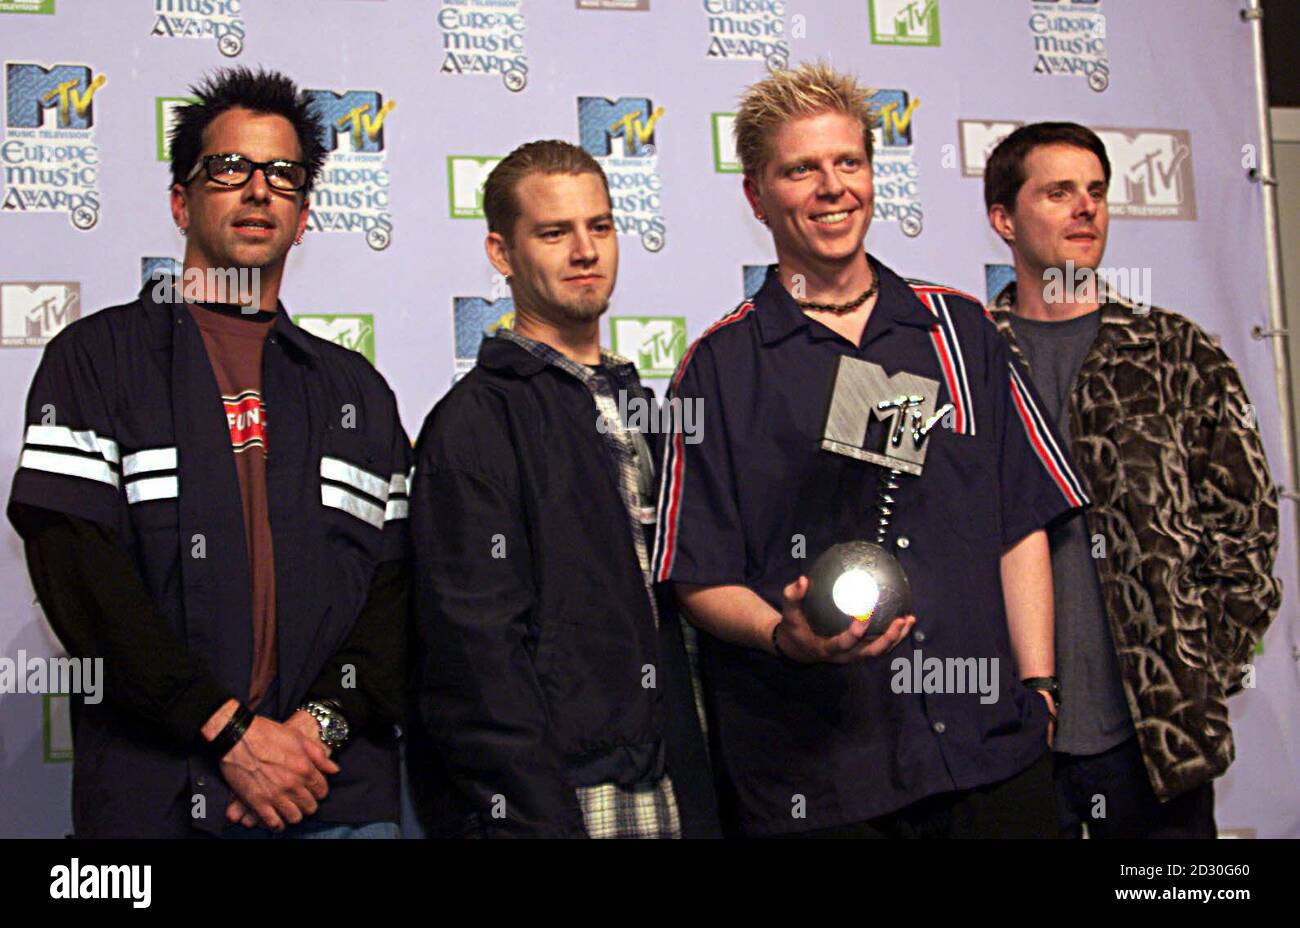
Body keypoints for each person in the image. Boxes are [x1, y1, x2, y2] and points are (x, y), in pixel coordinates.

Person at [654, 62, 1085, 837]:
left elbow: (1019, 519)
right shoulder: (718, 368)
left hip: (993, 758)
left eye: (848, 162)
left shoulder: (956, 328)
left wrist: (1039, 684)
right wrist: (784, 636)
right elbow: (697, 574)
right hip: (824, 785)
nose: (831, 188)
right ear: (757, 194)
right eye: (801, 169)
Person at [7, 67, 412, 838]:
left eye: (283, 174)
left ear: (304, 212)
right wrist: (225, 730)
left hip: (332, 801)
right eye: (229, 168)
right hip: (152, 800)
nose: (259, 190)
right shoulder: (96, 361)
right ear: (179, 200)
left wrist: (309, 738)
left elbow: (394, 603)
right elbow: (80, 579)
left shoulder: (357, 392)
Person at [409, 140, 718, 838]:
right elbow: (475, 661)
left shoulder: (645, 407)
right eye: (554, 232)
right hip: (570, 800)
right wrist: (536, 817)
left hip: (680, 781)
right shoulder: (474, 425)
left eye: (600, 227)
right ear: (501, 252)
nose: (585, 251)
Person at [984, 121, 1282, 838]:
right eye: (1058, 192)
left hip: (1155, 743)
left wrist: (1193, 668)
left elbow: (1246, 532)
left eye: (1096, 191)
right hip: (1008, 745)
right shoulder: (971, 365)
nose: (1086, 208)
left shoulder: (1175, 352)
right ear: (1003, 219)